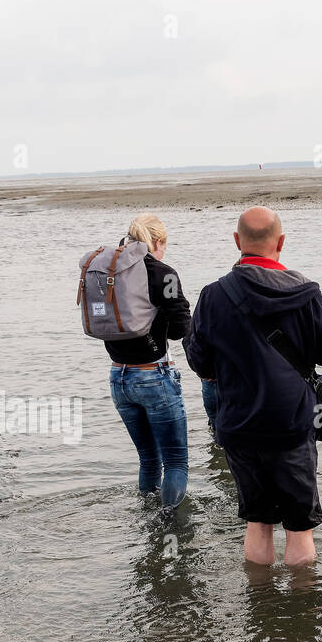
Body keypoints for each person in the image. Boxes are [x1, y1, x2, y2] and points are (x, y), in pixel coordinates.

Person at [187, 207, 322, 567]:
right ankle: (301, 612)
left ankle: (261, 605)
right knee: (300, 528)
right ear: (281, 243)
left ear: (237, 242)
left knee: (257, 522)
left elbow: (201, 364)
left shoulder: (213, 296)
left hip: (239, 424)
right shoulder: (306, 292)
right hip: (293, 422)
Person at [104, 213, 191, 509]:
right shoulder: (162, 273)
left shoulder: (110, 270)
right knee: (176, 461)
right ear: (158, 242)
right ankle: (170, 525)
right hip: (154, 376)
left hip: (118, 377)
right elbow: (180, 329)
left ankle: (147, 519)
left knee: (148, 459)